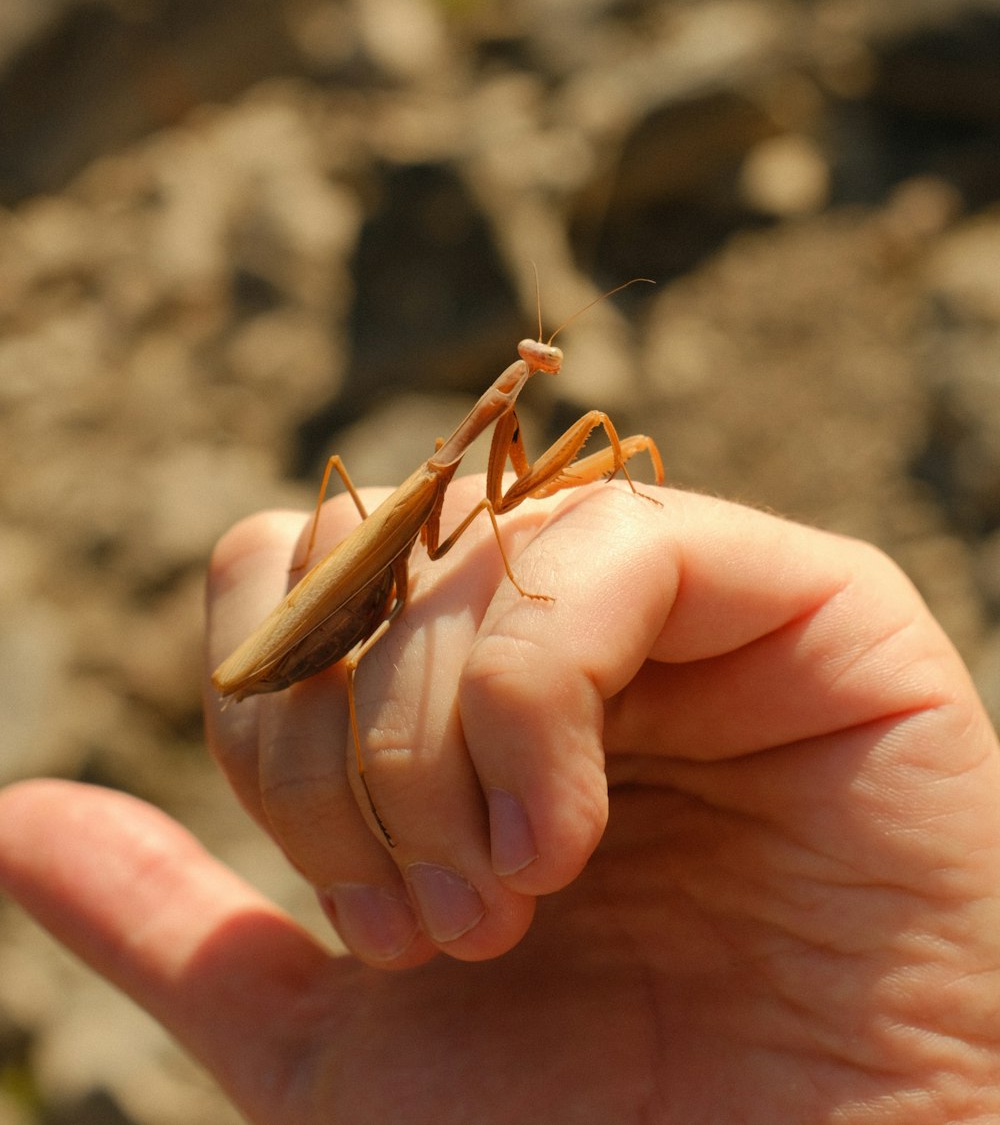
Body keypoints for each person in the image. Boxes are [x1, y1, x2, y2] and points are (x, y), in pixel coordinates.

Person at [1, 476, 999, 1123]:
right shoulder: (453, 485)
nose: (544, 362)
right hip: (351, 600)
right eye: (531, 362)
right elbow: (476, 520)